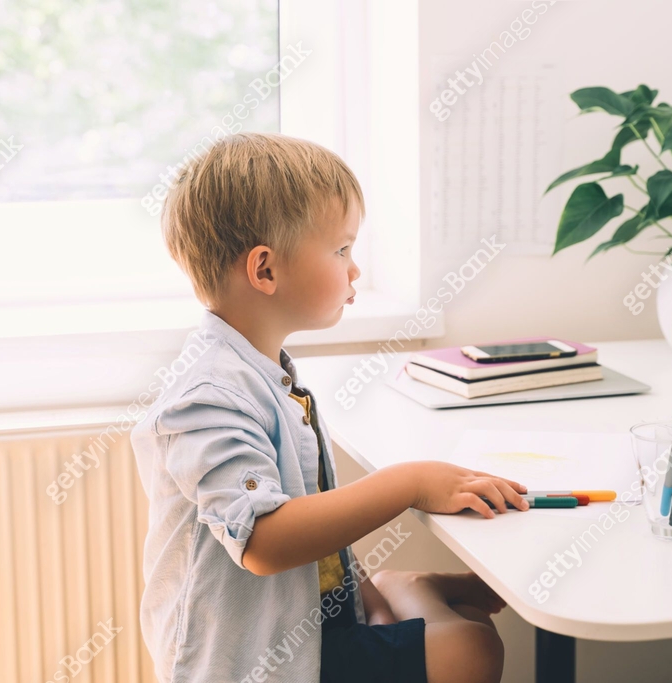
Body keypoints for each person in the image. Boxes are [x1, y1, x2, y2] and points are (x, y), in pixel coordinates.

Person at [131, 132, 528, 683]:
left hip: (311, 625)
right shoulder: (206, 398)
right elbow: (265, 542)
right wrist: (409, 483)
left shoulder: (268, 372)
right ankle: (409, 591)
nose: (354, 269)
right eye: (341, 250)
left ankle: (400, 590)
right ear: (265, 271)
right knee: (471, 650)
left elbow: (309, 514)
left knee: (460, 632)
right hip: (253, 664)